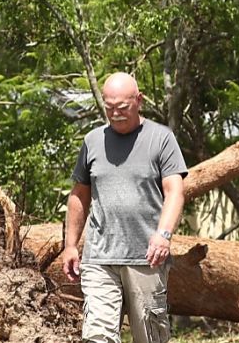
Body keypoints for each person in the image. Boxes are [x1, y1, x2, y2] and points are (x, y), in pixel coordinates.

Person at [63, 72, 188, 343]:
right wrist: (70, 244)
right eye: (109, 108)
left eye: (122, 107)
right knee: (97, 336)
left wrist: (164, 234)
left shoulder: (161, 139)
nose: (116, 114)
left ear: (139, 100)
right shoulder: (93, 141)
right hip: (99, 258)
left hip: (146, 258)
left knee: (150, 337)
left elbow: (175, 192)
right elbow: (79, 195)